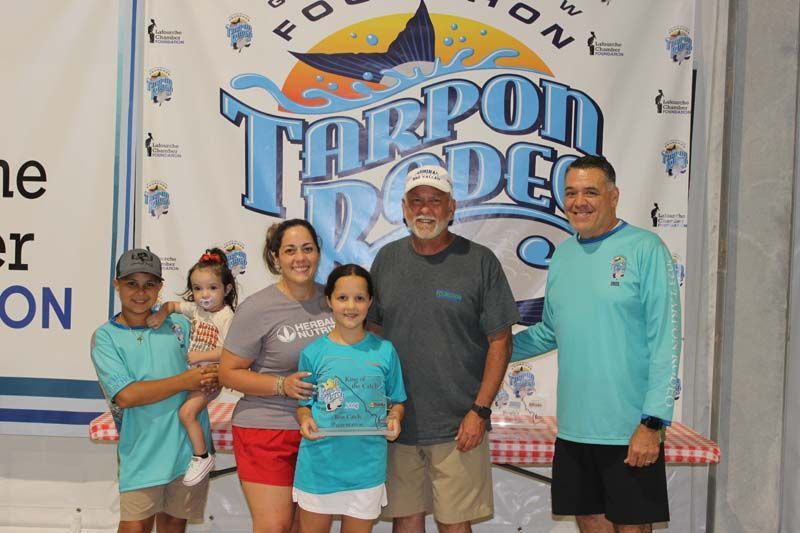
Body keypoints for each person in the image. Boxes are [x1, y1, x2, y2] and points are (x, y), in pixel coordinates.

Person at [511, 155, 682, 532]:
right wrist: (492, 349)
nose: (578, 201)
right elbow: (550, 331)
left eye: (590, 191)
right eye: (570, 192)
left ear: (613, 196)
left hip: (630, 429)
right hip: (573, 429)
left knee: (632, 528)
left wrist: (652, 423)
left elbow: (665, 341)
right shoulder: (565, 254)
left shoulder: (645, 248)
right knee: (588, 521)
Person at [367, 165, 520, 531]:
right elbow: (372, 331)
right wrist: (378, 403)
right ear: (403, 207)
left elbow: (500, 341)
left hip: (459, 424)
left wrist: (479, 412)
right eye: (417, 200)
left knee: (455, 524)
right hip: (398, 422)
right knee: (406, 520)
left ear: (451, 208)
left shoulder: (480, 261)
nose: (425, 209)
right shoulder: (386, 259)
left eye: (435, 201)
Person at [90, 248, 218, 533]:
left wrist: (212, 378)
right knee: (135, 527)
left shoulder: (181, 325)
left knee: (174, 526)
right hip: (142, 452)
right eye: (131, 283)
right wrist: (187, 380)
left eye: (149, 284)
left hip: (188, 451)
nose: (140, 292)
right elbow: (127, 396)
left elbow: (208, 374)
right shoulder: (106, 337)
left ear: (160, 287)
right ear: (116, 285)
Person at [219, 219, 334, 533]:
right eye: (290, 250)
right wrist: (282, 385)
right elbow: (228, 372)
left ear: (318, 253)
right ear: (275, 258)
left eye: (308, 249)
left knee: (310, 527)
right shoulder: (258, 308)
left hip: (321, 430)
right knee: (275, 526)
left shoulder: (335, 301)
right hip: (267, 427)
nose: (300, 258)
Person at [294, 264, 406, 533]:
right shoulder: (313, 353)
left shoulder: (385, 351)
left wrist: (395, 418)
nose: (350, 306)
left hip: (366, 470)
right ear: (329, 301)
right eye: (342, 298)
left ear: (370, 302)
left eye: (359, 298)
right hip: (319, 468)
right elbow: (303, 405)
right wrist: (306, 418)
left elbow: (398, 401)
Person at [147, 248, 238, 486]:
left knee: (186, 413)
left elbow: (228, 350)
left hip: (210, 377)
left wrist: (200, 355)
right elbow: (171, 305)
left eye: (212, 288)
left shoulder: (226, 316)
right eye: (197, 288)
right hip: (193, 375)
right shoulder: (197, 310)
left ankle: (202, 456)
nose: (204, 294)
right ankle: (187, 454)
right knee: (178, 409)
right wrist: (160, 315)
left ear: (226, 289)